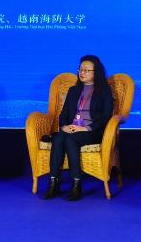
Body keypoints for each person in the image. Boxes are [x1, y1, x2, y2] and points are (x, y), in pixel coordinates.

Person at [41, 55, 115, 201]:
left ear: (96, 72)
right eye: (80, 70)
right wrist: (64, 126)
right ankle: (53, 182)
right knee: (58, 138)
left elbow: (106, 116)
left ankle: (76, 184)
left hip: (91, 131)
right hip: (72, 129)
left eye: (86, 70)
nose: (82, 73)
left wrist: (86, 128)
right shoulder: (73, 90)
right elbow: (63, 113)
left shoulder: (104, 91)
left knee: (70, 140)